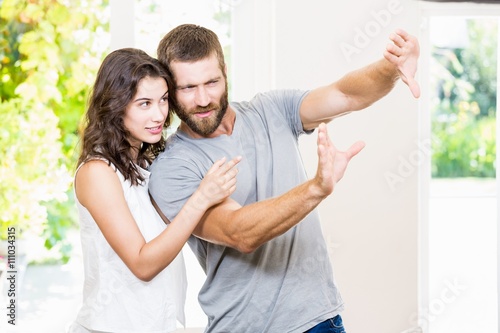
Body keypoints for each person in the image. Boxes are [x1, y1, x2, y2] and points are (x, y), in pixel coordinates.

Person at [149, 24, 420, 333]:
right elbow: (238, 233)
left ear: (225, 72)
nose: (202, 99)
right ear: (168, 88)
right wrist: (316, 188)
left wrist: (391, 68)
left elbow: (345, 94)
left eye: (212, 82)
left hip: (319, 320)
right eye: (187, 88)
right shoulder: (172, 167)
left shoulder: (271, 110)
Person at [69, 47, 240, 333]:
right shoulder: (97, 172)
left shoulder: (145, 165)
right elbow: (142, 264)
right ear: (115, 106)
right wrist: (201, 198)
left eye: (163, 100)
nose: (160, 114)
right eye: (144, 103)